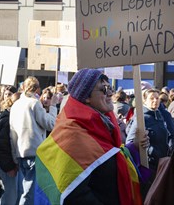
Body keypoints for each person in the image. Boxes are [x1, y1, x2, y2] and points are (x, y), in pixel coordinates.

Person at [35, 68, 143, 204]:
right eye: (104, 89)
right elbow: (71, 192)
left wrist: (133, 147)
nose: (110, 93)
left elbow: (108, 159)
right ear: (86, 97)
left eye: (110, 87)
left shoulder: (105, 126)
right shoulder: (72, 134)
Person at [9, 76, 57, 205]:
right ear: (37, 89)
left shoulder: (15, 105)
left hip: (20, 152)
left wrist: (14, 156)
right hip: (34, 152)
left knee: (25, 189)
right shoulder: (34, 103)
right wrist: (52, 107)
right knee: (29, 192)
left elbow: (11, 133)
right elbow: (50, 124)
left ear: (23, 87)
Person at [126, 88, 174, 198]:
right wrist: (145, 148)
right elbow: (130, 141)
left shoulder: (160, 115)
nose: (155, 101)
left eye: (157, 98)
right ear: (144, 101)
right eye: (151, 98)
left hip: (161, 163)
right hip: (148, 165)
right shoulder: (141, 117)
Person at [0, 92, 20, 205]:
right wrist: (9, 167)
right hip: (7, 167)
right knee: (9, 198)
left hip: (8, 165)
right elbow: (2, 146)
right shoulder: (7, 120)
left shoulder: (8, 118)